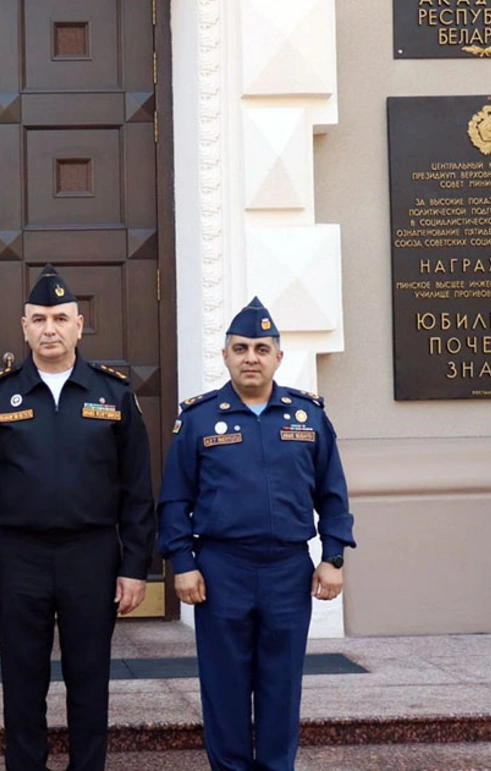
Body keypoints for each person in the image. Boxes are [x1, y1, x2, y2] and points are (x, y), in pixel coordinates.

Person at [0, 264, 156, 771]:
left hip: (90, 554)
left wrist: (135, 566)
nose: (50, 329)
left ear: (79, 325)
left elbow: (137, 490)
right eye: (40, 319)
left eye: (61, 318)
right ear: (24, 327)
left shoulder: (113, 394)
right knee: (22, 682)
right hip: (17, 557)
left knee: (89, 680)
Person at [157, 296, 356, 771]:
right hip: (221, 570)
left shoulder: (308, 417)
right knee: (224, 685)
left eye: (262, 349)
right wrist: (182, 563)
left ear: (278, 357)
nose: (251, 358)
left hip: (288, 570)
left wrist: (332, 558)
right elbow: (174, 500)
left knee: (281, 686)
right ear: (225, 355)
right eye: (241, 348)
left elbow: (332, 494)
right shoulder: (199, 419)